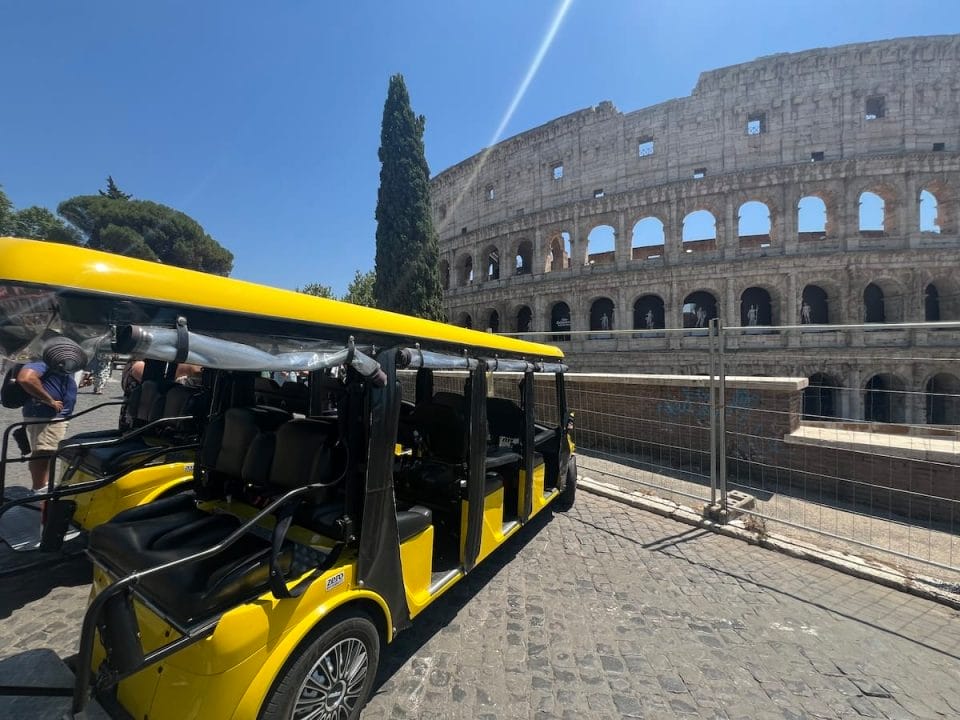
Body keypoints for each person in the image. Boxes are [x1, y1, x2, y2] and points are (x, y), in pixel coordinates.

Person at [18, 337, 85, 491]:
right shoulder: (45, 359)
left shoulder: (56, 361)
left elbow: (51, 382)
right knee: (44, 452)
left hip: (51, 415)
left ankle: (42, 486)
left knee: (46, 452)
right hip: (46, 415)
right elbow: (26, 378)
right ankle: (39, 489)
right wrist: (49, 400)